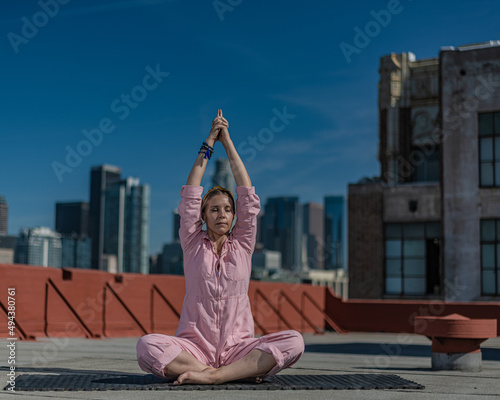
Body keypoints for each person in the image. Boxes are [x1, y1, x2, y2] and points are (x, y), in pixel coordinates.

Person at [136, 109, 304, 385]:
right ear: (203, 216)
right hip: (195, 348)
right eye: (214, 210)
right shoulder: (192, 243)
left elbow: (246, 192)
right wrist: (210, 142)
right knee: (146, 346)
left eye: (227, 209)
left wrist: (228, 142)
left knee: (295, 341)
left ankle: (215, 376)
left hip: (238, 347)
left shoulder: (243, 244)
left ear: (234, 215)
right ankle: (224, 373)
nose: (222, 214)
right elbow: (191, 192)